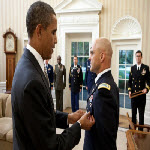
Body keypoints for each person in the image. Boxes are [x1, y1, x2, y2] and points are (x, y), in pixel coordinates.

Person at [11, 1, 95, 150]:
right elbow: (52, 146)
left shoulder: (27, 63)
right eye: (53, 32)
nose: (56, 40)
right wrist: (79, 125)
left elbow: (41, 115)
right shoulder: (31, 80)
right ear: (39, 31)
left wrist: (69, 118)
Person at [83, 38, 119, 150]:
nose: (89, 57)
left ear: (102, 56)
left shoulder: (104, 90)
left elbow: (105, 140)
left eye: (92, 53)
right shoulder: (101, 82)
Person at [128, 50, 150, 130]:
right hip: (134, 96)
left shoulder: (145, 68)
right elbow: (129, 82)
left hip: (141, 96)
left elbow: (149, 81)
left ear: (141, 57)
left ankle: (140, 134)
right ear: (135, 57)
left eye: (139, 56)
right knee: (133, 115)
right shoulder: (132, 68)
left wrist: (146, 89)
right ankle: (133, 132)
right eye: (136, 56)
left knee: (141, 116)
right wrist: (129, 91)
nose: (138, 58)